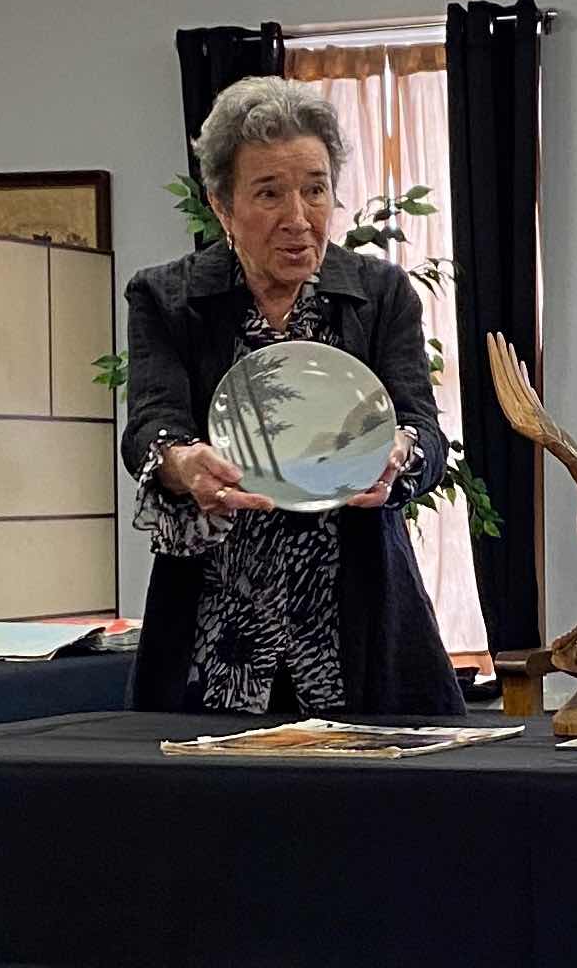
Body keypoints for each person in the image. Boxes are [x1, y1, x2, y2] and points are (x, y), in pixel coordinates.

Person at [122, 76, 465, 717]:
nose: (298, 218)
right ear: (222, 205)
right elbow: (150, 423)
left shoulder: (381, 294)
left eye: (315, 189)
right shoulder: (166, 297)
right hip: (215, 623)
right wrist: (183, 463)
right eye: (269, 193)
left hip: (356, 611)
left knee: (372, 777)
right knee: (208, 780)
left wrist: (399, 453)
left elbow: (422, 426)